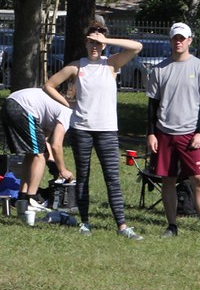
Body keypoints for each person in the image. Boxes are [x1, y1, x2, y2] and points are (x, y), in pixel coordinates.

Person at [44, 22, 143, 239]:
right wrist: (67, 104)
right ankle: (85, 222)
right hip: (82, 129)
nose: (95, 46)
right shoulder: (77, 66)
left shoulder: (112, 64)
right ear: (86, 43)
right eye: (91, 41)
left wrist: (105, 39)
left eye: (98, 42)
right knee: (84, 175)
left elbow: (136, 47)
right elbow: (49, 85)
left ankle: (122, 225)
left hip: (107, 129)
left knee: (112, 178)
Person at [145, 22, 200, 239]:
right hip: (164, 133)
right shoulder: (160, 69)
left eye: (182, 38)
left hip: (191, 134)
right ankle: (172, 226)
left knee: (199, 179)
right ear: (170, 40)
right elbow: (152, 106)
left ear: (190, 40)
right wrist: (151, 133)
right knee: (168, 180)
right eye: (175, 38)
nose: (179, 41)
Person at [0, 87, 74, 215]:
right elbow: (56, 144)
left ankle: (22, 198)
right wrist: (62, 170)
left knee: (32, 154)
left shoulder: (54, 109)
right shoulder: (69, 112)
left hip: (10, 103)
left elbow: (44, 141)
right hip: (22, 106)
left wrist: (52, 163)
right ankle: (31, 200)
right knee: (38, 156)